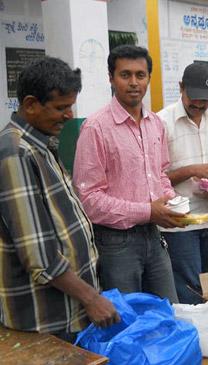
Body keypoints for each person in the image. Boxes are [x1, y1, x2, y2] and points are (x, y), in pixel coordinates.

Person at [0, 57, 119, 342]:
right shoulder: (15, 152)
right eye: (61, 107)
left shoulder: (40, 144)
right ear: (30, 104)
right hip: (45, 317)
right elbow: (38, 253)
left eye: (71, 106)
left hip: (67, 310)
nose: (69, 115)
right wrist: (90, 298)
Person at [73, 45, 184, 304]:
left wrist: (171, 201)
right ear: (111, 78)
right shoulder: (95, 128)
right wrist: (147, 210)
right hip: (115, 243)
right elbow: (88, 200)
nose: (134, 83)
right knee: (127, 320)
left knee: (169, 311)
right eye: (125, 75)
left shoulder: (155, 123)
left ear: (148, 78)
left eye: (140, 75)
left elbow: (160, 174)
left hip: (154, 235)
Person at [158, 62, 208, 304]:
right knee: (189, 287)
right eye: (194, 100)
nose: (200, 106)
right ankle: (195, 332)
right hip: (180, 222)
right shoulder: (161, 123)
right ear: (181, 88)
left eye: (205, 101)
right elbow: (154, 179)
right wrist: (192, 171)